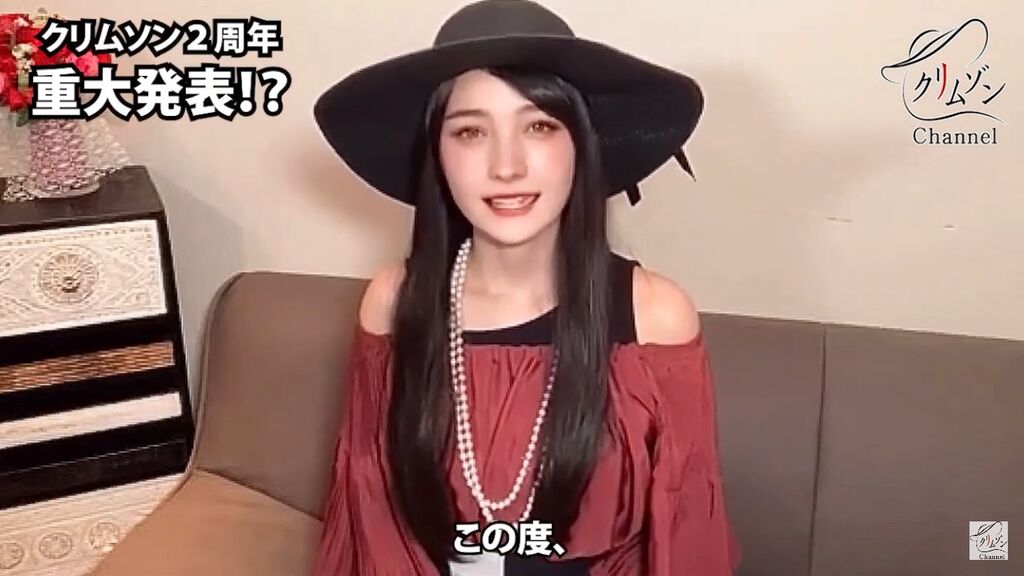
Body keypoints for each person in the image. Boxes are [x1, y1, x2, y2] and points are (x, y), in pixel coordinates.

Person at [312, 1, 741, 574]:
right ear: (438, 154)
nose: (506, 166)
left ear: (580, 144)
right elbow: (371, 518)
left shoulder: (655, 316)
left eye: (539, 126)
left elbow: (683, 536)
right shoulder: (394, 301)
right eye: (470, 132)